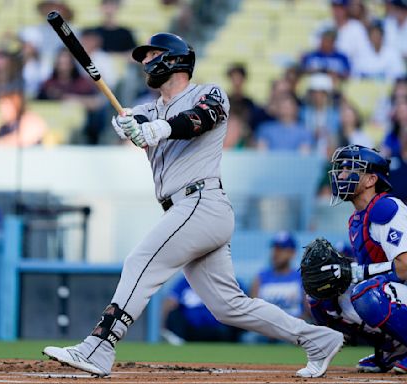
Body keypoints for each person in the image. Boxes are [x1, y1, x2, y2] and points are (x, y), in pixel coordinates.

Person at [43, 32, 344, 378]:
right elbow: (136, 123)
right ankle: (317, 339)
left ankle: (101, 345)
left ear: (173, 60)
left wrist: (158, 129)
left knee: (141, 259)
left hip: (202, 202)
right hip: (186, 212)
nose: (145, 62)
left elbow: (200, 119)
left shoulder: (207, 92)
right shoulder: (148, 108)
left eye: (153, 55)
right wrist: (127, 125)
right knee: (229, 307)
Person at [309, 144, 407, 373]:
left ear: (371, 179)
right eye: (340, 169)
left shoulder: (386, 208)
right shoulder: (356, 219)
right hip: (400, 293)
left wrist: (355, 272)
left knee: (367, 292)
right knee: (322, 293)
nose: (341, 176)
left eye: (350, 169)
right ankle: (394, 350)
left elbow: (405, 267)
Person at [162, 274, 242, 343]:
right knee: (174, 313)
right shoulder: (185, 281)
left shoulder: (225, 280)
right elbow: (170, 301)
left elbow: (240, 302)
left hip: (219, 329)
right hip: (190, 329)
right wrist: (163, 326)